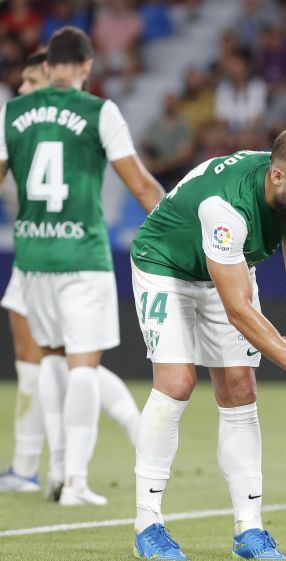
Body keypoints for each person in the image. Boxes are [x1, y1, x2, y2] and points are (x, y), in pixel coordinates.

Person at [128, 125, 286, 561]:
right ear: (277, 176)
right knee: (177, 382)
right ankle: (147, 523)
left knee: (240, 389)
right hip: (165, 266)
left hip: (225, 266)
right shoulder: (225, 208)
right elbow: (240, 312)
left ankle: (250, 530)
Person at [0, 28, 165, 505]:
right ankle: (74, 481)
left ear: (49, 66)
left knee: (50, 359)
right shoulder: (99, 110)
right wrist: (179, 226)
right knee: (84, 366)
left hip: (32, 258)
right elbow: (139, 185)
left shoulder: (12, 112)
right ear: (88, 66)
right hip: (82, 257)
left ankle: (53, 470)